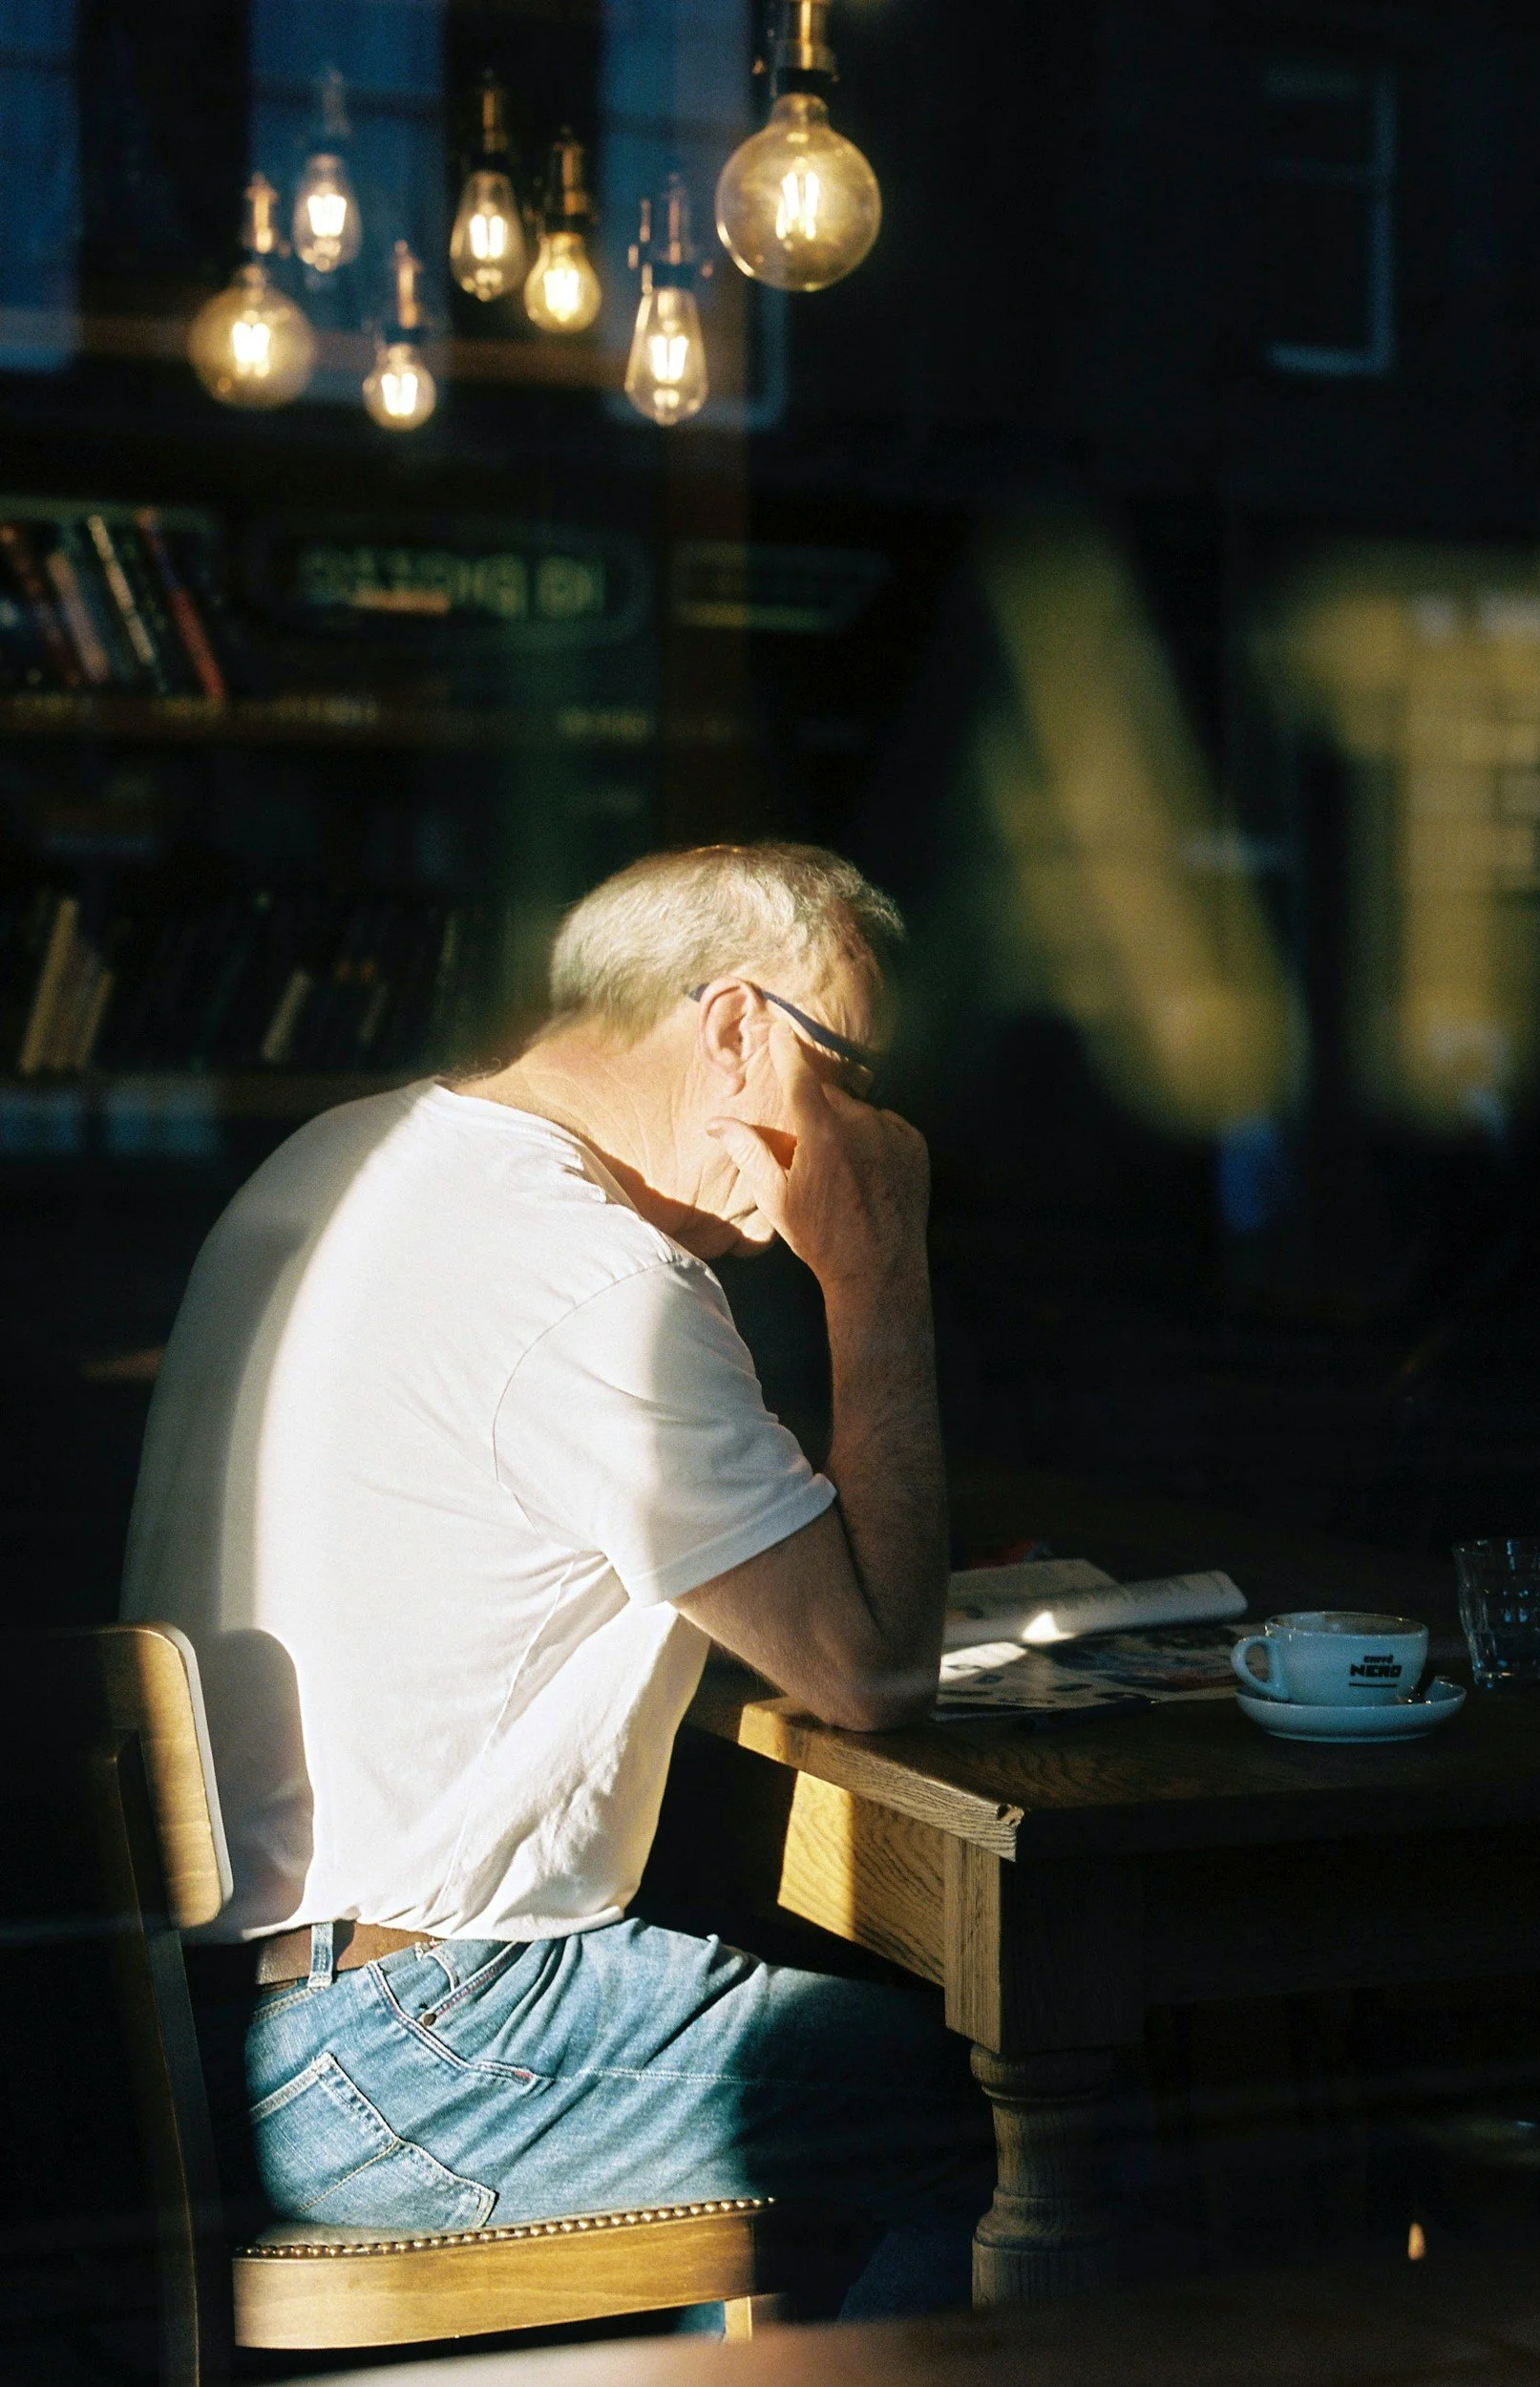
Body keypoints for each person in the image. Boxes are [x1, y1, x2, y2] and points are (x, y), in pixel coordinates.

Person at [122, 841, 989, 2316]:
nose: (865, 1130)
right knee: (997, 2127)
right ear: (738, 1029)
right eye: (846, 1074)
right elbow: (876, 1669)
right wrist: (879, 1269)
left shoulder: (348, 1155)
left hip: (194, 2022)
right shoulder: (594, 1281)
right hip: (400, 2041)